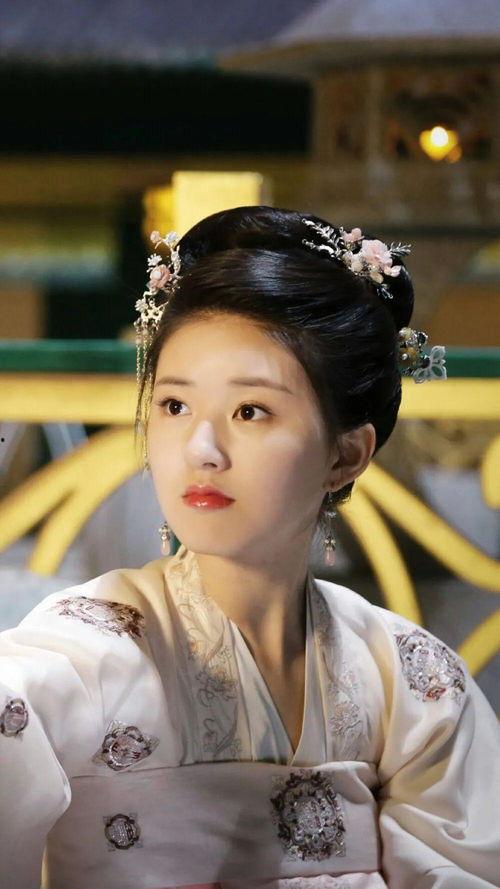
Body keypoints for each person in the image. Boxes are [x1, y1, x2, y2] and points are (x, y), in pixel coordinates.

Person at [0, 206, 498, 889]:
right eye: (174, 406)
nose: (201, 449)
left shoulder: (410, 680)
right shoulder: (89, 652)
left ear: (346, 454)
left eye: (250, 411)